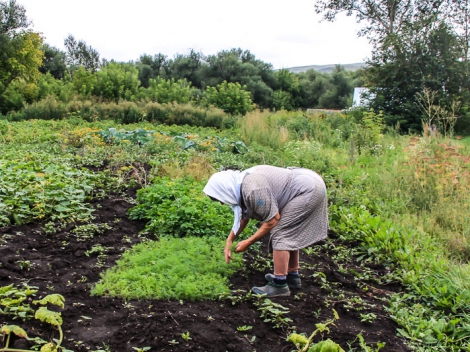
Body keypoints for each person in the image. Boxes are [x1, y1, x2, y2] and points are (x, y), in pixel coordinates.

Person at [203, 165, 328, 297]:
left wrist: (249, 241)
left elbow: (272, 220)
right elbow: (243, 217)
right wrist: (229, 241)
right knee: (288, 231)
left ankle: (279, 285)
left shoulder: (252, 189)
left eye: (219, 199)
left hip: (308, 189)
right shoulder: (240, 184)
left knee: (281, 232)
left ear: (223, 189)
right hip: (309, 183)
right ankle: (292, 277)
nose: (222, 203)